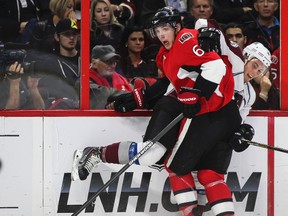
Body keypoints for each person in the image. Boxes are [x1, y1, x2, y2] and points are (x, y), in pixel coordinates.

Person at [72, 6, 243, 216]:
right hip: (205, 111)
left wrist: (197, 94)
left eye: (165, 29)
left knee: (193, 171)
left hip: (214, 113)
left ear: (177, 26)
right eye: (157, 31)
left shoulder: (185, 38)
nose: (161, 35)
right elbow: (170, 83)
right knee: (157, 157)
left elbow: (216, 66)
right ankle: (97, 153)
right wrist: (139, 97)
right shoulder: (165, 55)